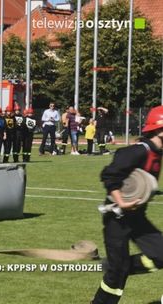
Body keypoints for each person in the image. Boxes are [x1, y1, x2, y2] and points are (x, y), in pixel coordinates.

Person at [91, 105, 163, 304]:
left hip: (137, 217)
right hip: (118, 218)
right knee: (116, 278)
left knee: (161, 254)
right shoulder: (139, 151)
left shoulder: (157, 153)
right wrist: (121, 202)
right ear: (159, 129)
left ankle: (119, 266)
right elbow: (109, 174)